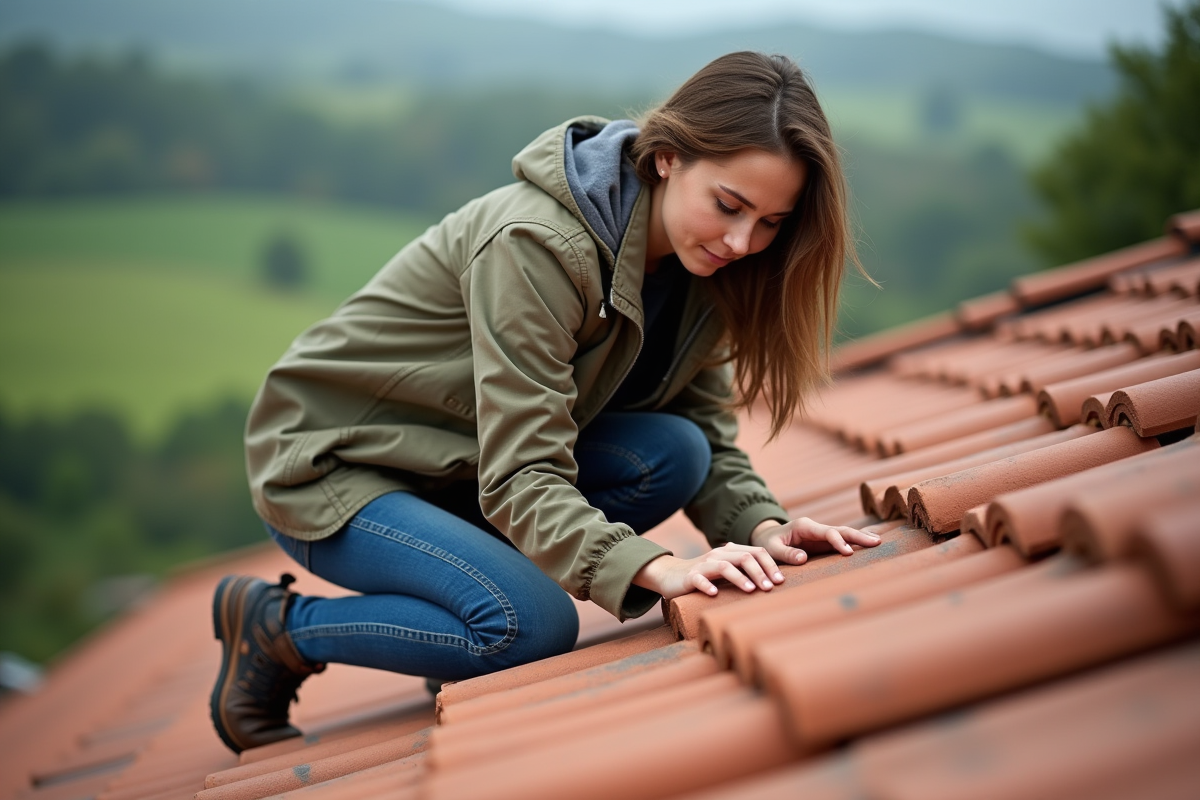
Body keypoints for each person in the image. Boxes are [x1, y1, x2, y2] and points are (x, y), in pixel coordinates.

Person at [209, 50, 881, 754]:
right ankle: (278, 627)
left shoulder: (703, 265)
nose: (743, 241)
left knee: (674, 453)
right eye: (729, 205)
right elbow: (523, 469)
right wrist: (657, 567)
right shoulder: (538, 245)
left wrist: (765, 527)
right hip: (336, 461)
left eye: (771, 222)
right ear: (667, 159)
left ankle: (456, 617)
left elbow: (704, 431)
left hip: (457, 463)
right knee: (527, 626)